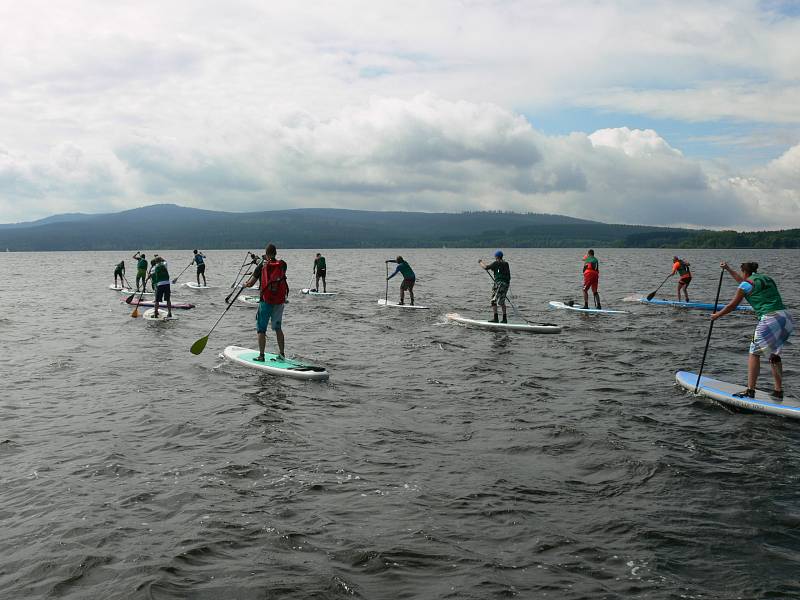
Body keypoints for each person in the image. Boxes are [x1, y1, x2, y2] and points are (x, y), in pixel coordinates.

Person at [711, 261, 794, 398]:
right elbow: (744, 283)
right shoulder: (766, 279)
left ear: (744, 272)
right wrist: (728, 269)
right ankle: (778, 391)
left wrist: (717, 315)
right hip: (786, 318)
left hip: (770, 319)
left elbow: (732, 305)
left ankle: (750, 390)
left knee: (754, 353)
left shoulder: (746, 284)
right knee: (774, 355)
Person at [242, 244, 288, 360]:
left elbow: (251, 283)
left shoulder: (262, 265)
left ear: (266, 253)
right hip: (279, 301)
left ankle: (261, 356)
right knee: (278, 328)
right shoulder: (282, 265)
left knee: (261, 329)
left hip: (265, 300)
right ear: (276, 253)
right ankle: (282, 354)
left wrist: (245, 284)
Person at [479, 250, 510, 323]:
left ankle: (496, 319)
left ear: (496, 257)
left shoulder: (496, 262)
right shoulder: (506, 264)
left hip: (499, 284)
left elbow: (486, 267)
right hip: (506, 284)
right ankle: (504, 319)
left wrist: (480, 262)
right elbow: (499, 270)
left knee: (493, 301)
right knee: (502, 302)